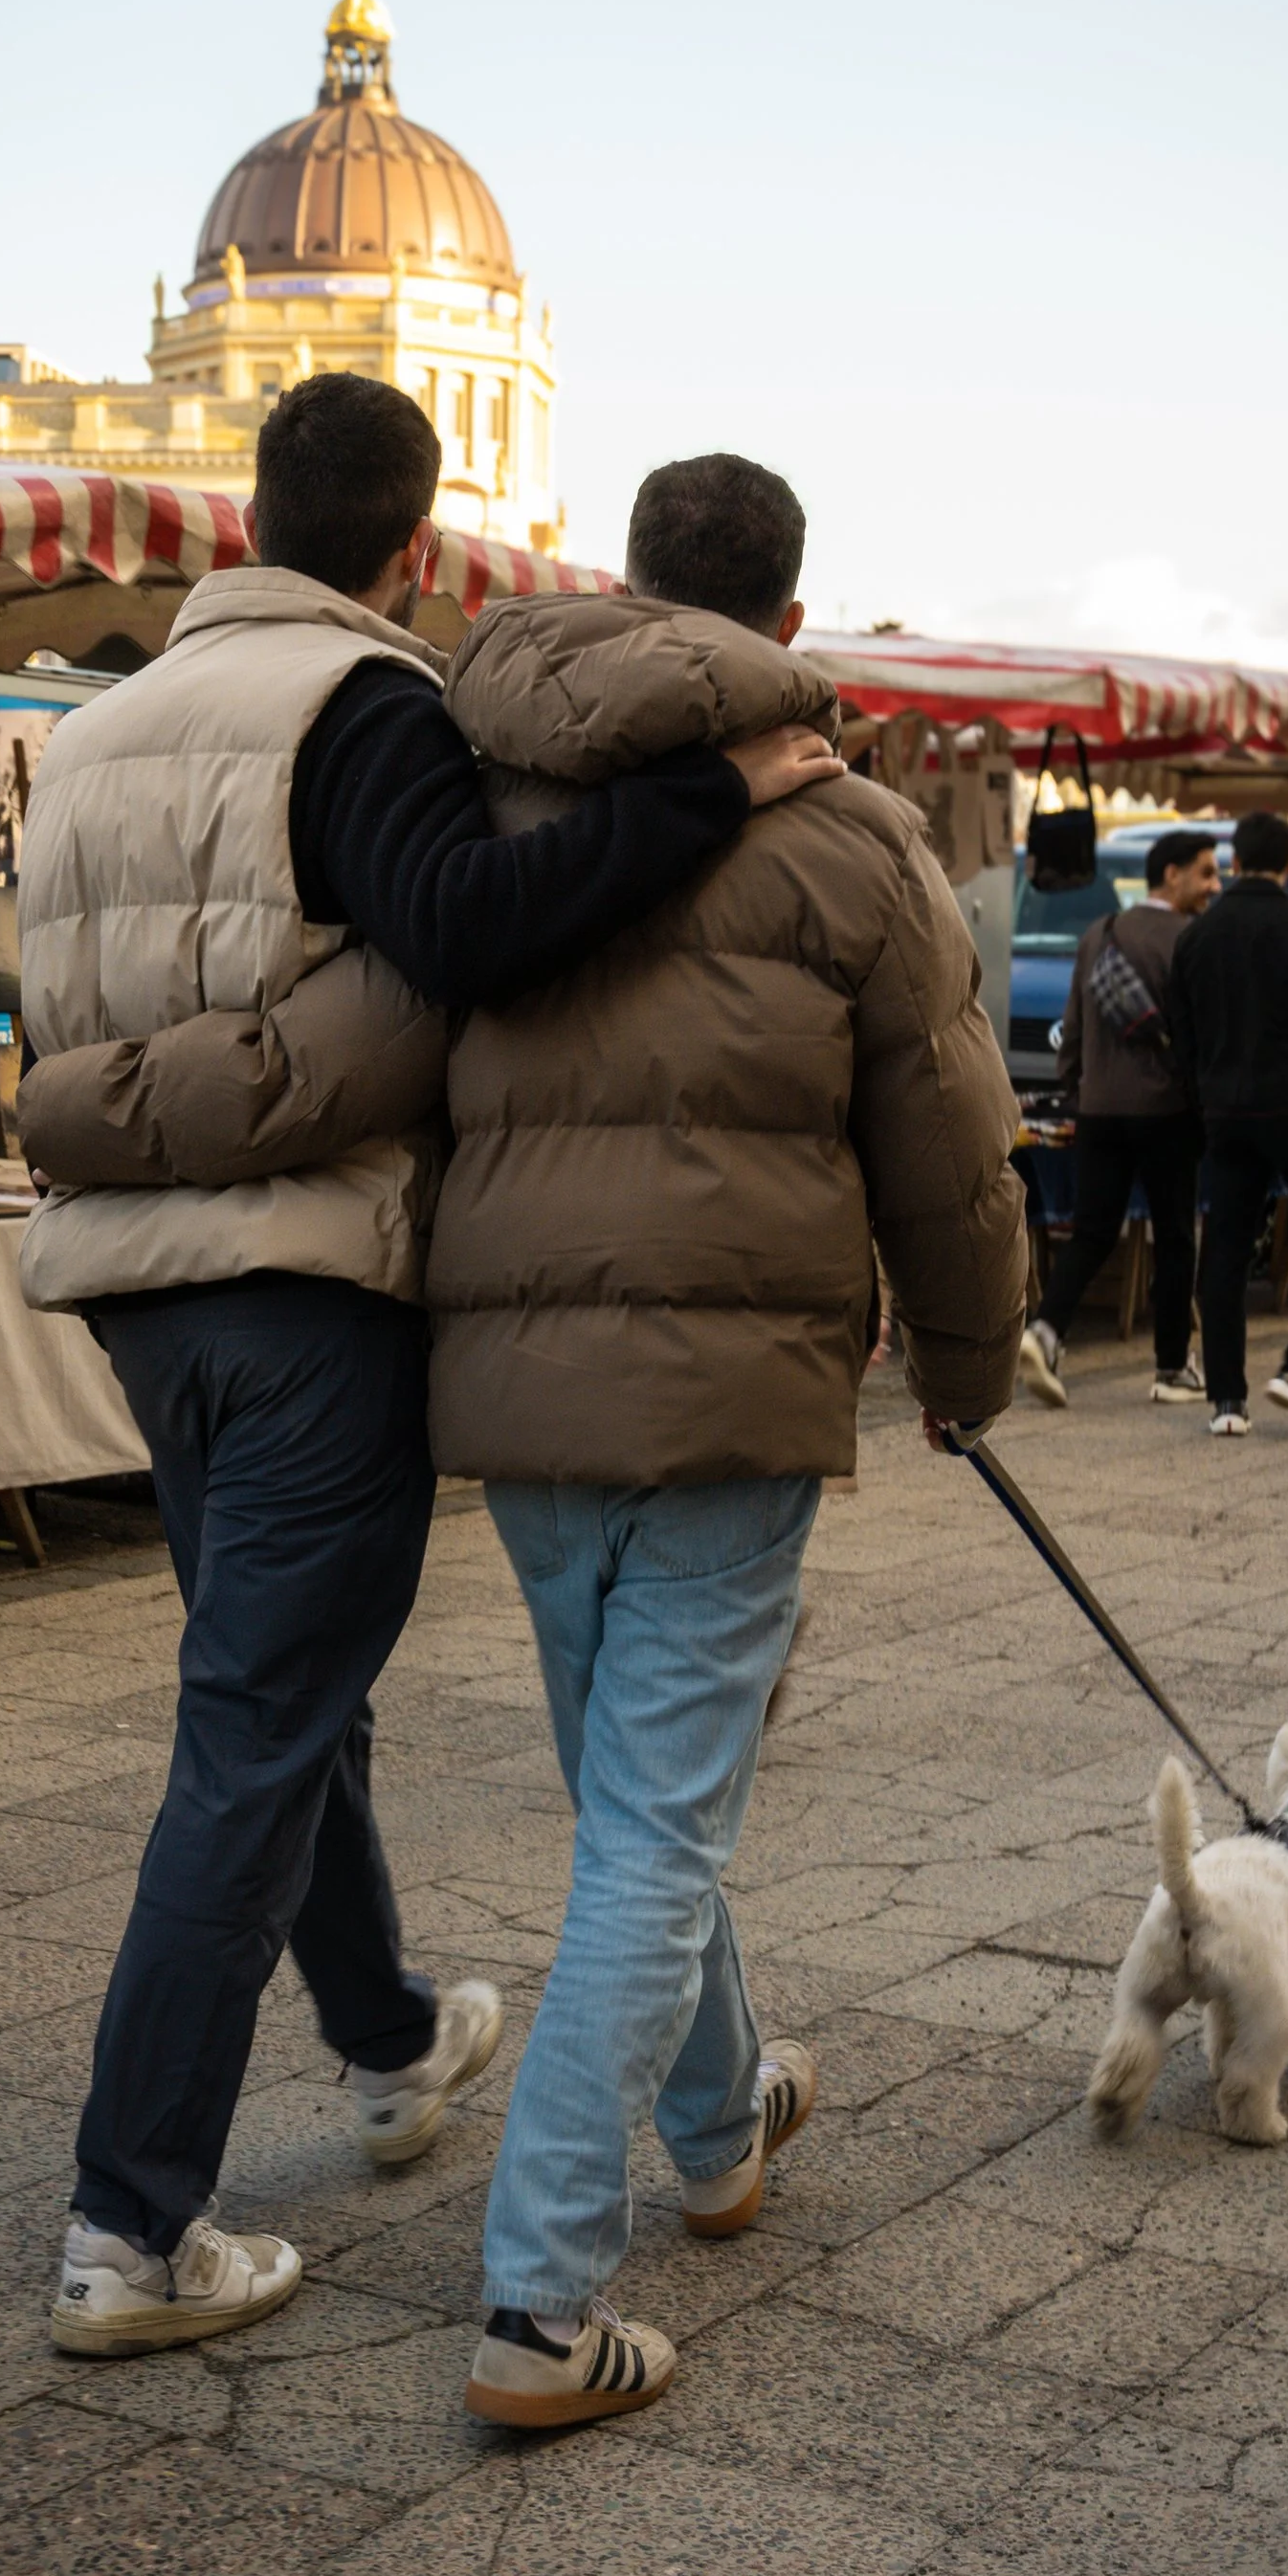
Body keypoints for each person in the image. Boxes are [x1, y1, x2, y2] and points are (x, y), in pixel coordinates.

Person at [12, 373, 839, 2357]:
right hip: (304, 1275)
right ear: (414, 538)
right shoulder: (361, 700)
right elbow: (469, 922)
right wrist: (710, 795)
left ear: (247, 514)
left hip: (139, 1287)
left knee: (289, 1696)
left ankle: (387, 2042)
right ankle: (129, 2231)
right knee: (257, 1734)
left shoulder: (93, 728)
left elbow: (44, 1003)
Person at [428, 454, 1025, 2427]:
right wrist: (965, 1368)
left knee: (634, 1809)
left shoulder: (500, 786)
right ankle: (534, 2307)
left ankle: (725, 2124)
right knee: (656, 1834)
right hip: (735, 1392)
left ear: (626, 597)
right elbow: (947, 1148)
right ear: (783, 627)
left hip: (517, 1385)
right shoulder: (855, 842)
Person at [1167, 808, 1288, 1439]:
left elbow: (1183, 1036)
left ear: (1233, 861)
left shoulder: (1197, 937)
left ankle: (1227, 1400)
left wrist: (1206, 1095)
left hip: (1226, 1112)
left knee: (1224, 1248)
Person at [1017, 828, 1219, 1410]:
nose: (1213, 885)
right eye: (1205, 873)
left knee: (1093, 1231)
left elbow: (1072, 1034)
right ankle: (1172, 1367)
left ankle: (1047, 1331)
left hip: (1100, 1109)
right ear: (1172, 874)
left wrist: (1083, 1087)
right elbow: (1198, 1036)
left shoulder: (1099, 933)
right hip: (1168, 1112)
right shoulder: (1192, 940)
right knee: (1176, 1237)